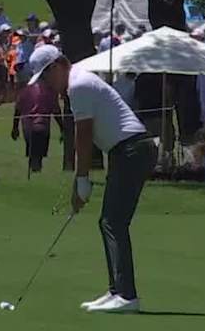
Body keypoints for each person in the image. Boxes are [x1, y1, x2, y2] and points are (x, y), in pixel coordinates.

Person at [27, 45, 157, 314]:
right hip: (127, 151)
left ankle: (127, 296)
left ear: (57, 66)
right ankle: (117, 291)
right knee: (109, 221)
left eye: (45, 77)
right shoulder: (77, 83)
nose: (46, 84)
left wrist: (82, 180)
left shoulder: (79, 85)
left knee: (113, 222)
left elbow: (83, 137)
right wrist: (81, 180)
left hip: (132, 150)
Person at [12, 73, 56, 173]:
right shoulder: (49, 90)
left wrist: (15, 127)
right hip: (43, 124)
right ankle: (36, 171)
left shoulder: (25, 90)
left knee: (32, 151)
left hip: (27, 126)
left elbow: (17, 110)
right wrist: (62, 127)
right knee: (39, 154)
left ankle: (33, 171)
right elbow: (55, 109)